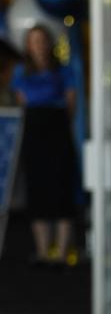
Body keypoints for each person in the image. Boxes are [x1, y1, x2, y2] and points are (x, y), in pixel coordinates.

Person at [11, 24, 79, 266]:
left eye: (41, 40)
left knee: (61, 186)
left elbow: (71, 103)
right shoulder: (21, 71)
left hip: (56, 129)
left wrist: (59, 124)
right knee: (37, 187)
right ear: (28, 45)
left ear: (48, 43)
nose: (38, 45)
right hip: (34, 130)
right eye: (33, 41)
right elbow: (21, 102)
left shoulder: (63, 70)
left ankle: (61, 252)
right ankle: (42, 250)